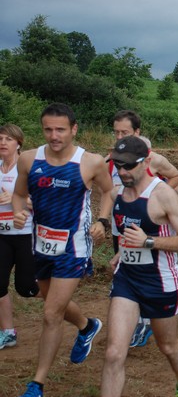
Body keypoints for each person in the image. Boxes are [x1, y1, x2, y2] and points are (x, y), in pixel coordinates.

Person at [12, 103, 114, 397]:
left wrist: (102, 221)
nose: (54, 135)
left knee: (50, 314)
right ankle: (87, 325)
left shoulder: (91, 162)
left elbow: (108, 191)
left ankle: (37, 384)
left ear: (73, 129)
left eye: (60, 129)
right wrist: (19, 212)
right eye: (48, 129)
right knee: (49, 299)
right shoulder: (29, 159)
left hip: (74, 247)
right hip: (41, 244)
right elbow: (19, 195)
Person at [100, 136, 178, 397]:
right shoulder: (117, 192)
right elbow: (127, 231)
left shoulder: (162, 195)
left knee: (167, 345)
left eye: (128, 166)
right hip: (127, 281)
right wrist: (122, 251)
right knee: (113, 353)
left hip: (161, 282)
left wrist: (149, 242)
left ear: (145, 162)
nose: (122, 172)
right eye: (118, 165)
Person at [110, 110, 178, 347]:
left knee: (153, 270)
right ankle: (134, 318)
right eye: (116, 132)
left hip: (151, 224)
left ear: (137, 133)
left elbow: (176, 177)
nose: (120, 136)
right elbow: (104, 189)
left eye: (125, 132)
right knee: (126, 269)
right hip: (122, 224)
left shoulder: (154, 159)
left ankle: (145, 321)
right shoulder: (111, 158)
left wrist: (156, 197)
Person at [0, 124, 39, 350]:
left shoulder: (27, 169)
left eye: (8, 139)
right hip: (2, 235)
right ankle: (7, 332)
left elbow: (40, 202)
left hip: (25, 235)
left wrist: (17, 201)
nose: (3, 142)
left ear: (18, 144)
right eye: (0, 138)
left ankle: (59, 301)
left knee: (27, 288)